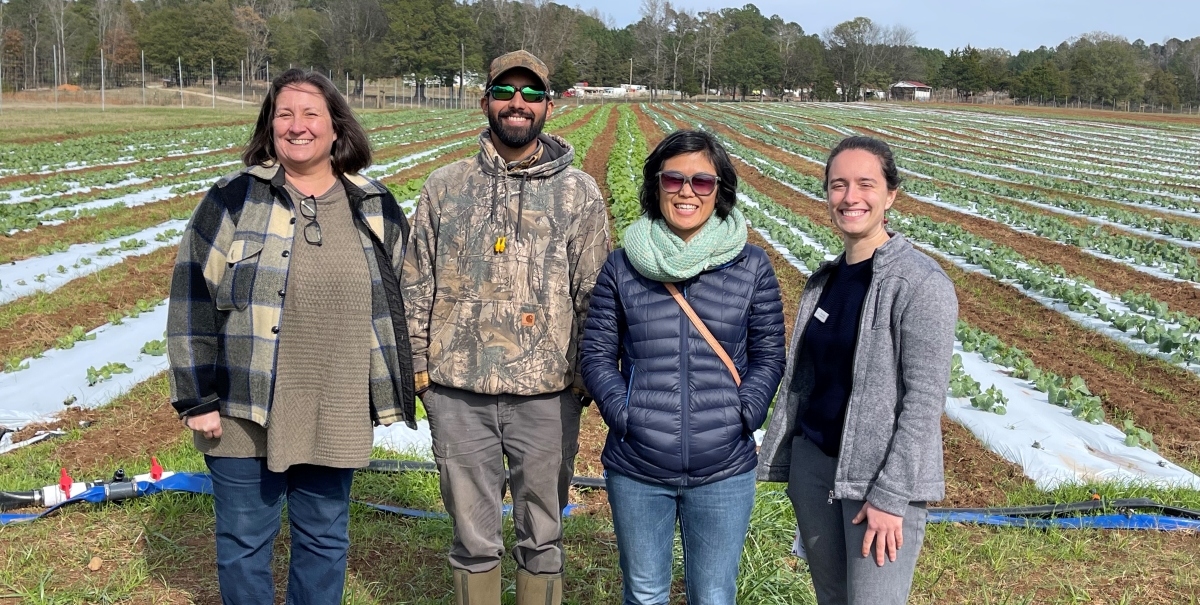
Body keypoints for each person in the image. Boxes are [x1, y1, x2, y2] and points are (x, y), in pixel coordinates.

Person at [167, 69, 416, 605]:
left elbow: (406, 299)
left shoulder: (376, 206)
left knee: (325, 540)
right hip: (243, 408)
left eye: (311, 115)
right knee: (243, 541)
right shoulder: (233, 199)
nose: (297, 126)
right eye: (284, 114)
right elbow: (191, 297)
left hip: (336, 403)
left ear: (335, 128)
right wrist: (196, 399)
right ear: (269, 125)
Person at [401, 50, 610, 605]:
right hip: (458, 394)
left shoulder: (578, 192)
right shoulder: (445, 187)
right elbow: (416, 283)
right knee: (473, 539)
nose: (518, 104)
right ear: (486, 99)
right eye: (506, 92)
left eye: (532, 94)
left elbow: (594, 295)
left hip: (546, 397)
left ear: (547, 105)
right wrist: (422, 375)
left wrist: (583, 382)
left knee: (543, 535)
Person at [580, 130, 786, 605]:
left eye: (701, 181)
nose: (686, 191)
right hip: (637, 465)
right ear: (656, 186)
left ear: (721, 190)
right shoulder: (623, 266)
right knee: (645, 592)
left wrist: (744, 413)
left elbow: (769, 353)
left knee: (713, 595)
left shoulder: (752, 266)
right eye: (673, 180)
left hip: (724, 466)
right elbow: (596, 354)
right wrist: (625, 414)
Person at [757, 136, 957, 605]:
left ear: (890, 195)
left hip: (879, 484)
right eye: (838, 185)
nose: (851, 198)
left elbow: (924, 403)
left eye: (866, 184)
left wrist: (891, 497)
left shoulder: (920, 283)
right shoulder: (827, 280)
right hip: (816, 471)